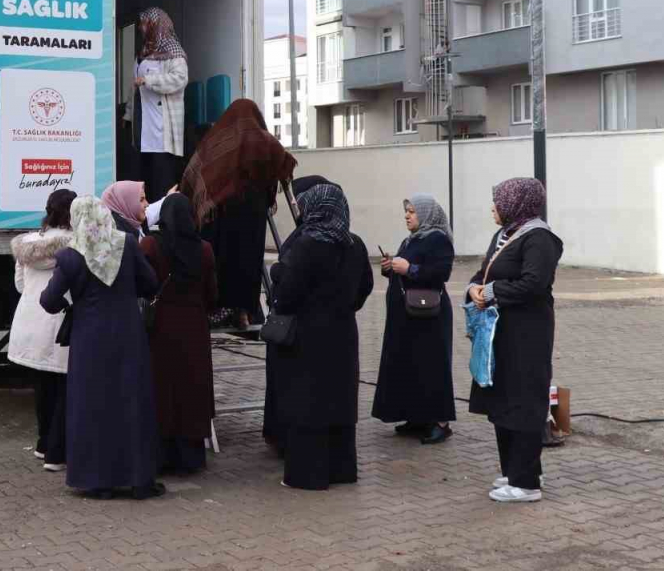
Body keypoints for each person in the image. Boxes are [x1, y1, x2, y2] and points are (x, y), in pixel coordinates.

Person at [39, 195, 164, 500]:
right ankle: (138, 479)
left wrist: (74, 303)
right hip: (127, 336)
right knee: (131, 403)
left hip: (89, 342)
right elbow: (150, 284)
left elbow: (48, 301)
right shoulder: (128, 244)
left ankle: (97, 481)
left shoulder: (71, 256)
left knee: (93, 407)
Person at [267, 183, 373, 490]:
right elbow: (364, 287)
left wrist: (276, 275)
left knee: (307, 404)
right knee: (339, 403)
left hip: (307, 338)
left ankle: (307, 475)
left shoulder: (307, 244)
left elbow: (286, 295)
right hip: (343, 334)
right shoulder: (355, 244)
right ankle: (341, 469)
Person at [466, 178, 562, 503]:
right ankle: (513, 470)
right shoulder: (505, 234)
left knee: (523, 399)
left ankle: (527, 483)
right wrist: (474, 288)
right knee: (503, 398)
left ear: (516, 203)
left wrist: (491, 292)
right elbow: (486, 271)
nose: (493, 208)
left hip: (527, 333)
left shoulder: (539, 238)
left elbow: (534, 283)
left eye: (499, 201)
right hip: (499, 330)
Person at [179, 99, 296, 329]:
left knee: (222, 263)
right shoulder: (264, 140)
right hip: (253, 220)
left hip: (223, 220)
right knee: (249, 264)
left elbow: (195, 173)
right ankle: (243, 312)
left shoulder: (217, 140)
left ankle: (220, 309)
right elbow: (286, 161)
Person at [139, 193, 216, 475]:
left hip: (159, 326)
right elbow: (212, 293)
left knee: (161, 387)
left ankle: (161, 454)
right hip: (194, 325)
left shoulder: (151, 244)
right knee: (191, 386)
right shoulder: (205, 249)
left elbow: (142, 283)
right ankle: (191, 457)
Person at [371, 194, 457, 445]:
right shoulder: (412, 239)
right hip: (408, 315)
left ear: (427, 214)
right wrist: (390, 267)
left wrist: (408, 268)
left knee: (432, 364)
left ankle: (441, 422)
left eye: (412, 211)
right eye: (406, 211)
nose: (407, 215)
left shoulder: (438, 239)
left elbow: (442, 272)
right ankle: (417, 417)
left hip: (429, 315)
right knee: (410, 363)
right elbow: (402, 272)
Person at [9, 189, 76, 472]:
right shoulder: (75, 245)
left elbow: (20, 285)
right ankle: (57, 450)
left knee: (42, 386)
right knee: (63, 386)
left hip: (29, 319)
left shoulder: (27, 244)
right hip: (59, 320)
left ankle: (43, 442)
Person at [132, 7, 188, 202]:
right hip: (143, 126)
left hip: (163, 128)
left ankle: (164, 227)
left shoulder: (174, 54)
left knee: (162, 181)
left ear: (156, 25)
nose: (141, 27)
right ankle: (147, 226)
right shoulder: (143, 53)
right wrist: (128, 115)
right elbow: (136, 90)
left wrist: (149, 80)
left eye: (145, 23)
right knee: (144, 182)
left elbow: (180, 79)